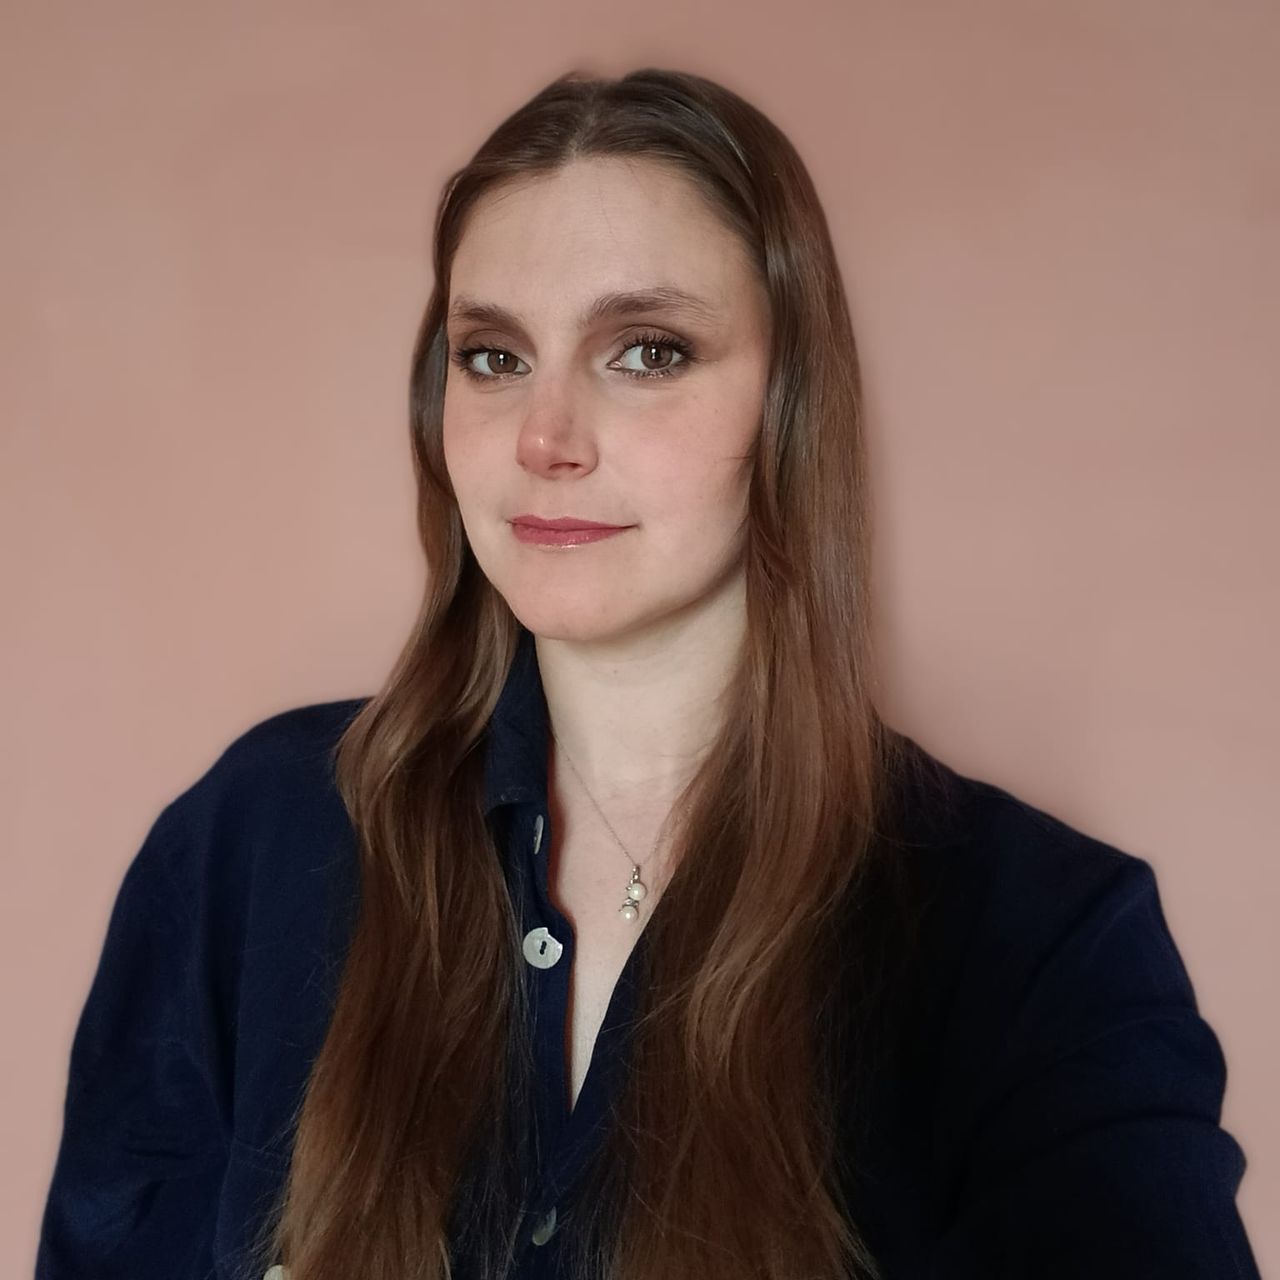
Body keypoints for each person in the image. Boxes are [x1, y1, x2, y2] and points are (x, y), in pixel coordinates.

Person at [36, 67, 1260, 1280]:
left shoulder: (1036, 937)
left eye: (647, 350)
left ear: (789, 401)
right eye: (492, 357)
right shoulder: (252, 842)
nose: (544, 438)